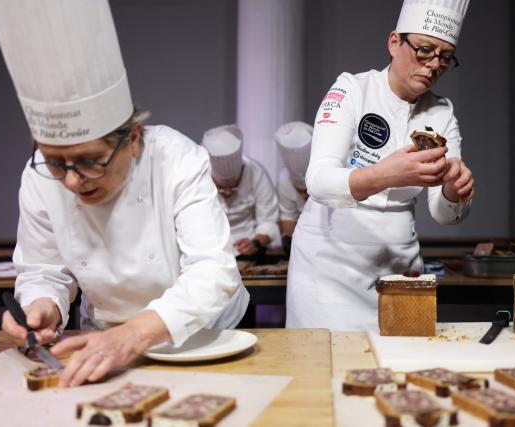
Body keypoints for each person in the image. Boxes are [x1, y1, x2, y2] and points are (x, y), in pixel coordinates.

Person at [0, 0, 248, 387]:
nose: (73, 181)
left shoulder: (176, 158)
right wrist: (42, 306)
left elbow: (213, 271)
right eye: (56, 162)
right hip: (102, 337)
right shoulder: (38, 176)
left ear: (134, 140)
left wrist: (132, 335)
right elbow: (44, 270)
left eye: (90, 160)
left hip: (202, 335)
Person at [286, 0, 475, 330]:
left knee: (399, 371)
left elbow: (444, 214)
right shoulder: (352, 90)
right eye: (424, 51)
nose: (433, 65)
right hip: (330, 268)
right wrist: (386, 174)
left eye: (445, 58)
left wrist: (453, 191)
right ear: (394, 42)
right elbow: (318, 181)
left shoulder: (442, 112)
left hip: (399, 267)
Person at [202, 125, 280, 258]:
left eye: (234, 185)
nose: (227, 192)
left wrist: (256, 242)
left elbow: (269, 221)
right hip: (208, 251)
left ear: (242, 171)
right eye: (221, 187)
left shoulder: (256, 174)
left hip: (248, 250)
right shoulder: (199, 177)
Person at [273, 122, 313, 255]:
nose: (303, 197)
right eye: (299, 191)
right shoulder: (285, 180)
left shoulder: (329, 177)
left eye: (306, 191)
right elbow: (288, 215)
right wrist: (287, 237)